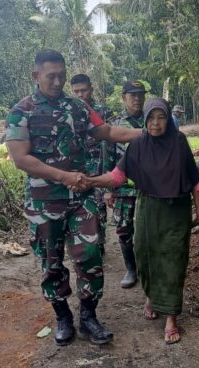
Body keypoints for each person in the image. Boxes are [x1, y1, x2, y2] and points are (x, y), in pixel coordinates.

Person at [4, 50, 142, 346]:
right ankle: (63, 316)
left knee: (90, 255)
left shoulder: (78, 107)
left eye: (61, 75)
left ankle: (89, 316)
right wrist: (63, 176)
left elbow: (106, 130)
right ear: (36, 75)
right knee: (51, 261)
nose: (57, 81)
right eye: (51, 76)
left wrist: (146, 133)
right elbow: (20, 158)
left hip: (82, 197)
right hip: (45, 202)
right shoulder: (21, 111)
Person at [79, 98, 199, 344]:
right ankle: (151, 295)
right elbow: (117, 177)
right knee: (146, 254)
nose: (155, 123)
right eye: (151, 118)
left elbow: (194, 179)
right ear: (145, 120)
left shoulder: (179, 142)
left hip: (176, 210)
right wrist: (92, 181)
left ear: (168, 119)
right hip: (148, 207)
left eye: (161, 117)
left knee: (173, 258)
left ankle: (171, 316)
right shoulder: (138, 144)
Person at [108, 80, 146, 289]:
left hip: (148, 187)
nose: (137, 98)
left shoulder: (154, 119)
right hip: (122, 187)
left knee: (148, 228)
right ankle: (131, 269)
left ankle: (147, 268)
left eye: (140, 94)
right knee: (124, 229)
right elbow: (109, 156)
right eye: (132, 95)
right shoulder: (114, 124)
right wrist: (108, 190)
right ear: (124, 98)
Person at [71, 73, 114, 256]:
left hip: (100, 170)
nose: (81, 95)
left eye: (84, 90)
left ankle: (99, 243)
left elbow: (110, 143)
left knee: (99, 210)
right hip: (78, 171)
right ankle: (84, 244)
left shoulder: (103, 112)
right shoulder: (69, 112)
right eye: (76, 91)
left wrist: (110, 174)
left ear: (91, 89)